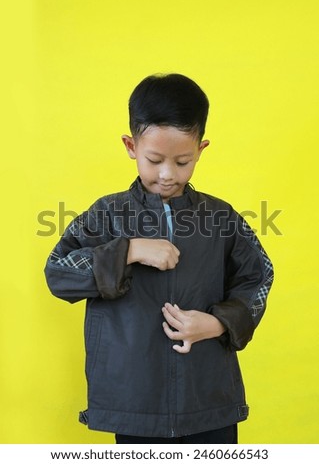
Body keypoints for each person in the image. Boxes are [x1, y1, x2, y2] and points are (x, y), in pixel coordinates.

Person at [44, 73, 274, 444]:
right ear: (131, 146)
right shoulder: (107, 215)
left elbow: (259, 276)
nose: (168, 175)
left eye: (183, 161)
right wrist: (128, 250)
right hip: (132, 400)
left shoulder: (221, 217)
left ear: (201, 148)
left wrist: (218, 324)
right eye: (154, 160)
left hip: (208, 398)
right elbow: (58, 270)